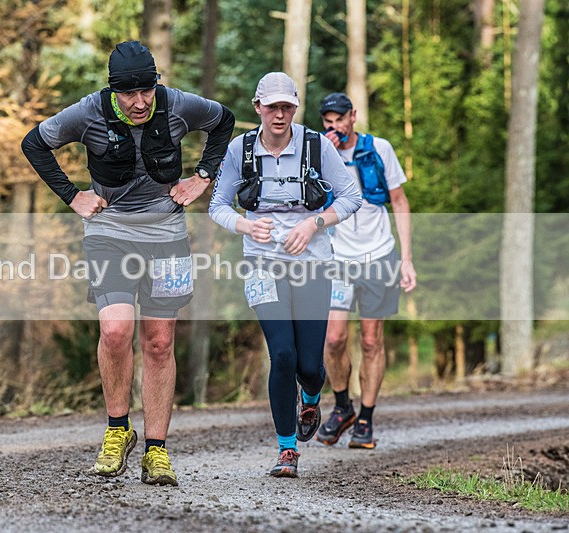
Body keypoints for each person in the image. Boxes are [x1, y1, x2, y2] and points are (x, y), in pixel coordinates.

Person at [21, 41, 234, 486]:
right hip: (109, 232)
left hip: (167, 234)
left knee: (159, 342)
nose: (139, 103)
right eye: (128, 94)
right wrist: (73, 195)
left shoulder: (177, 105)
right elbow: (34, 144)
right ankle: (118, 429)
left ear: (156, 85)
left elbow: (223, 122)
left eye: (146, 92)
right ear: (113, 90)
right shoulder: (87, 113)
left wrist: (203, 177)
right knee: (115, 331)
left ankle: (156, 451)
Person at [209, 73, 361, 477]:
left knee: (310, 364)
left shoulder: (315, 146)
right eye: (272, 107)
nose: (279, 114)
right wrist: (245, 226)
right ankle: (287, 449)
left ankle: (312, 395)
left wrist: (315, 223)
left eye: (287, 107)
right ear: (257, 107)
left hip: (312, 263)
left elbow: (351, 197)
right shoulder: (239, 150)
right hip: (261, 264)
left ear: (295, 108)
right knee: (283, 354)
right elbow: (218, 205)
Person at [315, 92, 417, 449]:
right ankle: (343, 407)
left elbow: (400, 202)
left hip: (378, 257)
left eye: (339, 119)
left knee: (372, 340)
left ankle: (366, 420)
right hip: (337, 259)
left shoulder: (380, 149)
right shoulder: (317, 153)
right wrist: (323, 158)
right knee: (334, 338)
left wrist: (406, 260)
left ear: (353, 117)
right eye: (328, 120)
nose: (334, 126)